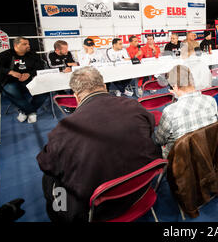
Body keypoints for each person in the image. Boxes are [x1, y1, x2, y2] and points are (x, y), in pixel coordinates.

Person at [36, 67, 161, 222]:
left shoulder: (65, 129)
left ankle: (60, 215)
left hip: (100, 207)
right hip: (141, 188)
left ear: (76, 96)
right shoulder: (134, 106)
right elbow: (149, 131)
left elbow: (46, 163)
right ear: (104, 86)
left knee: (50, 179)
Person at [153, 65, 218, 159]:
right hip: (207, 153)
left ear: (175, 86)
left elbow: (160, 140)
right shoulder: (211, 101)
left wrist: (175, 99)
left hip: (180, 162)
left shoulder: (170, 111)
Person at [0, 36, 48, 123]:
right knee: (11, 91)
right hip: (10, 81)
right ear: (16, 45)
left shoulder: (33, 54)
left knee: (44, 91)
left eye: (28, 44)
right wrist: (10, 72)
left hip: (29, 80)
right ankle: (31, 112)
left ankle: (24, 111)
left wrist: (29, 74)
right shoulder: (6, 54)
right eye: (24, 44)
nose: (28, 46)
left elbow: (40, 66)